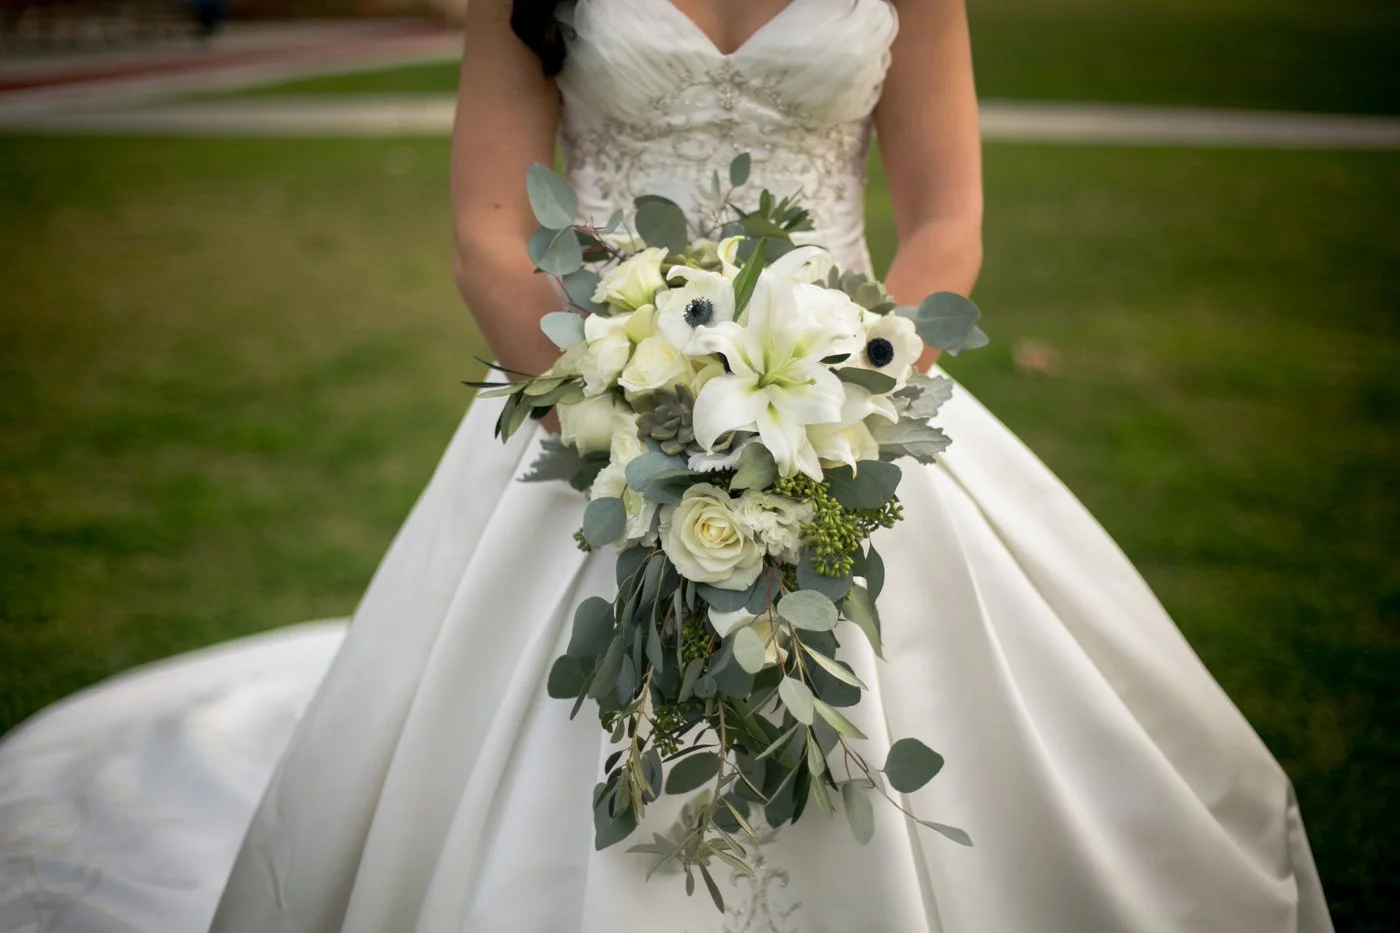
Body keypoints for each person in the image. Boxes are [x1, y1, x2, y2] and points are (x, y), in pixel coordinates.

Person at [0, 2, 1334, 931]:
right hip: (586, 405)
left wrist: (844, 399)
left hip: (849, 411)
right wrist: (626, 429)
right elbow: (487, 231)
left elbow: (944, 220)